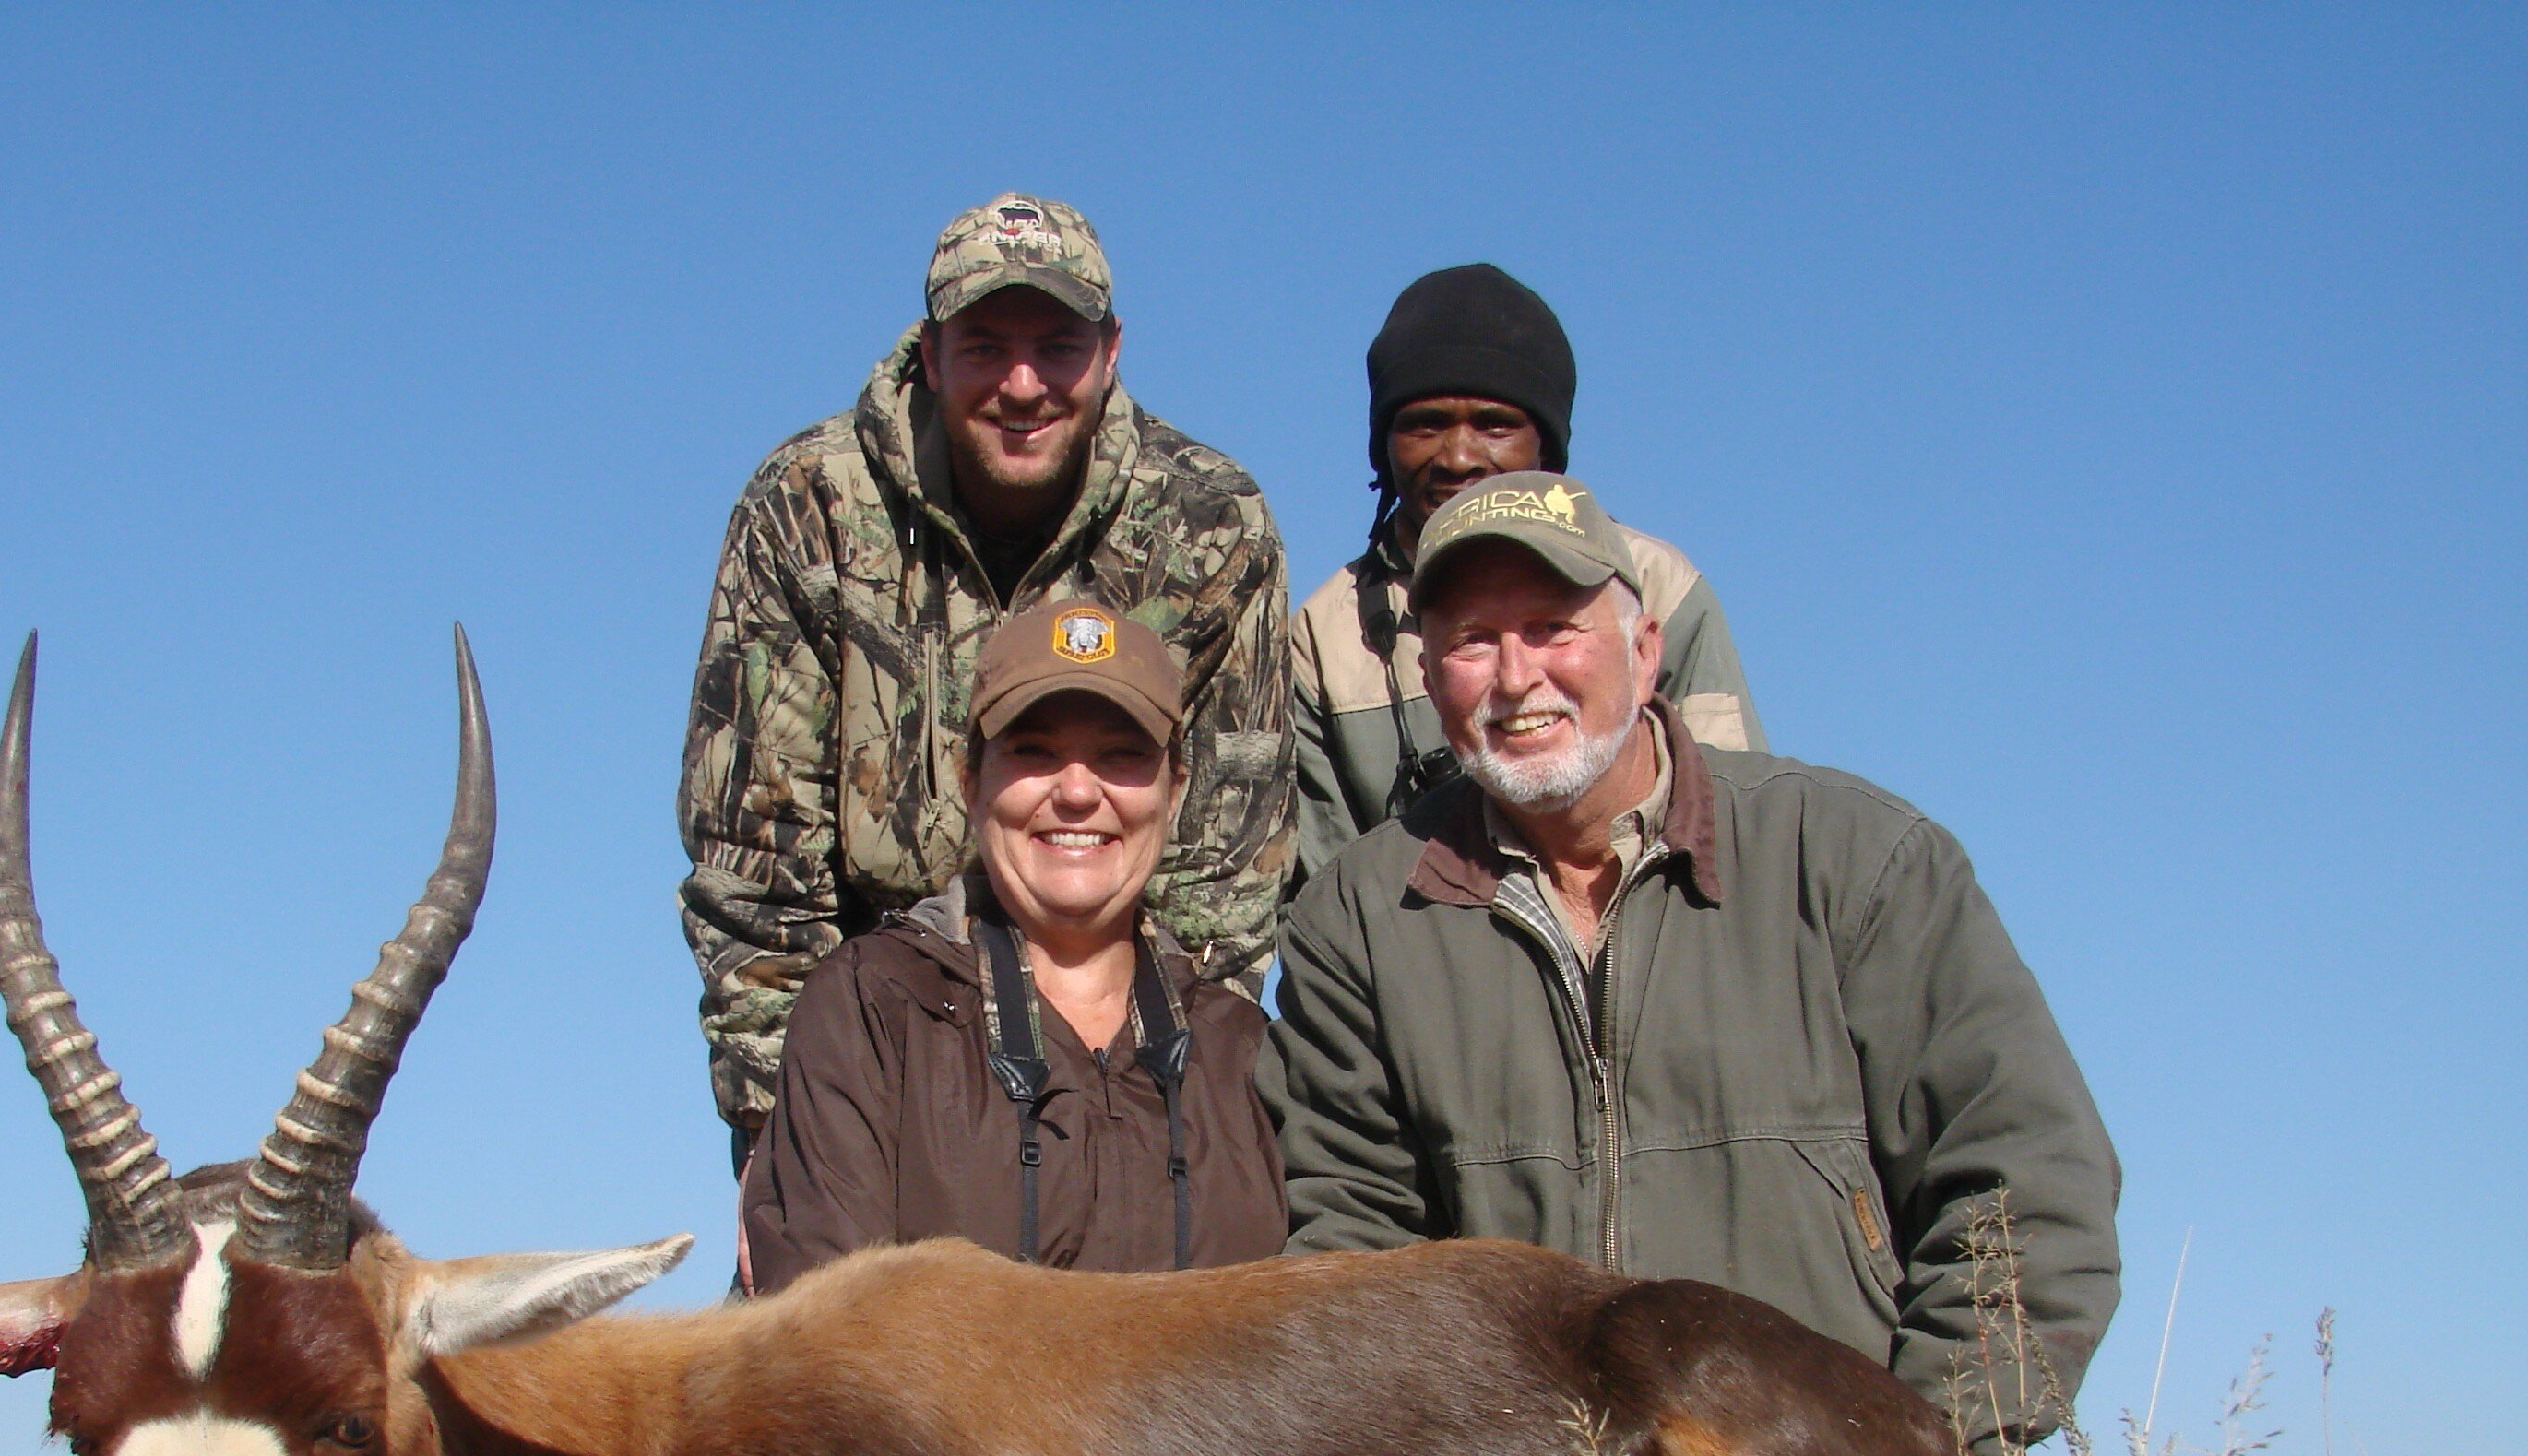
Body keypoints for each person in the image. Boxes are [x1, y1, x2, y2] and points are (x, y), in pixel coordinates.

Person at [1264, 472, 2119, 1456]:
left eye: (1553, 627)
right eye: (1471, 641)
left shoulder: (1856, 861)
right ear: (1430, 674)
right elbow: (1349, 1256)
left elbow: (2025, 1192)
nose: (1515, 676)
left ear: (1646, 648)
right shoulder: (1360, 920)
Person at [682, 194, 1293, 1154]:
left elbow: (1223, 890)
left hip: (1124, 1058)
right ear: (928, 353)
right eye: (983, 347)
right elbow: (756, 872)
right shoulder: (808, 506)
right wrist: (783, 1142)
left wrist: (1164, 1132)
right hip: (874, 1053)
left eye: (1056, 346)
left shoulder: (1213, 525)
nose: (1021, 383)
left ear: (1111, 352)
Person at [742, 599, 1287, 1291]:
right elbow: (826, 1348)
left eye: (1122, 757)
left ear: (1174, 791)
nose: (1079, 792)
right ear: (972, 786)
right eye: (1035, 752)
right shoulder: (873, 1010)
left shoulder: (1242, 1048)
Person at [1289, 264, 1764, 885]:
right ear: (1385, 445)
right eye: (1425, 424)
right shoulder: (1326, 635)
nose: (1458, 456)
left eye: (1495, 424)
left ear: (1548, 446)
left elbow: (1727, 829)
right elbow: (1331, 894)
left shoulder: (1657, 584)